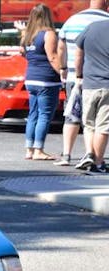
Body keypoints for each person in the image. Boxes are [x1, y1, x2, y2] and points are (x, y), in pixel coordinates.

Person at [56, 0, 109, 167]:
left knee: (77, 118)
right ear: (106, 4)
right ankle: (97, 160)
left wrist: (66, 69)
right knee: (103, 124)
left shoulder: (73, 20)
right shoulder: (104, 20)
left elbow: (63, 48)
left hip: (81, 80)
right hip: (104, 82)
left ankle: (68, 154)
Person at [19, 4, 61, 161]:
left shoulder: (28, 35)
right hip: (47, 80)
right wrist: (63, 73)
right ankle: (39, 150)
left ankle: (29, 150)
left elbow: (22, 52)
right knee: (44, 115)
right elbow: (52, 57)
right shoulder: (48, 34)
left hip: (31, 78)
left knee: (33, 114)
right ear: (47, 16)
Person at [74, 15, 109, 173]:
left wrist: (79, 75)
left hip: (89, 84)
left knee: (88, 123)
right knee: (103, 126)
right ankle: (99, 162)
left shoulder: (91, 27)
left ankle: (89, 153)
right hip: (108, 86)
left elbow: (79, 53)